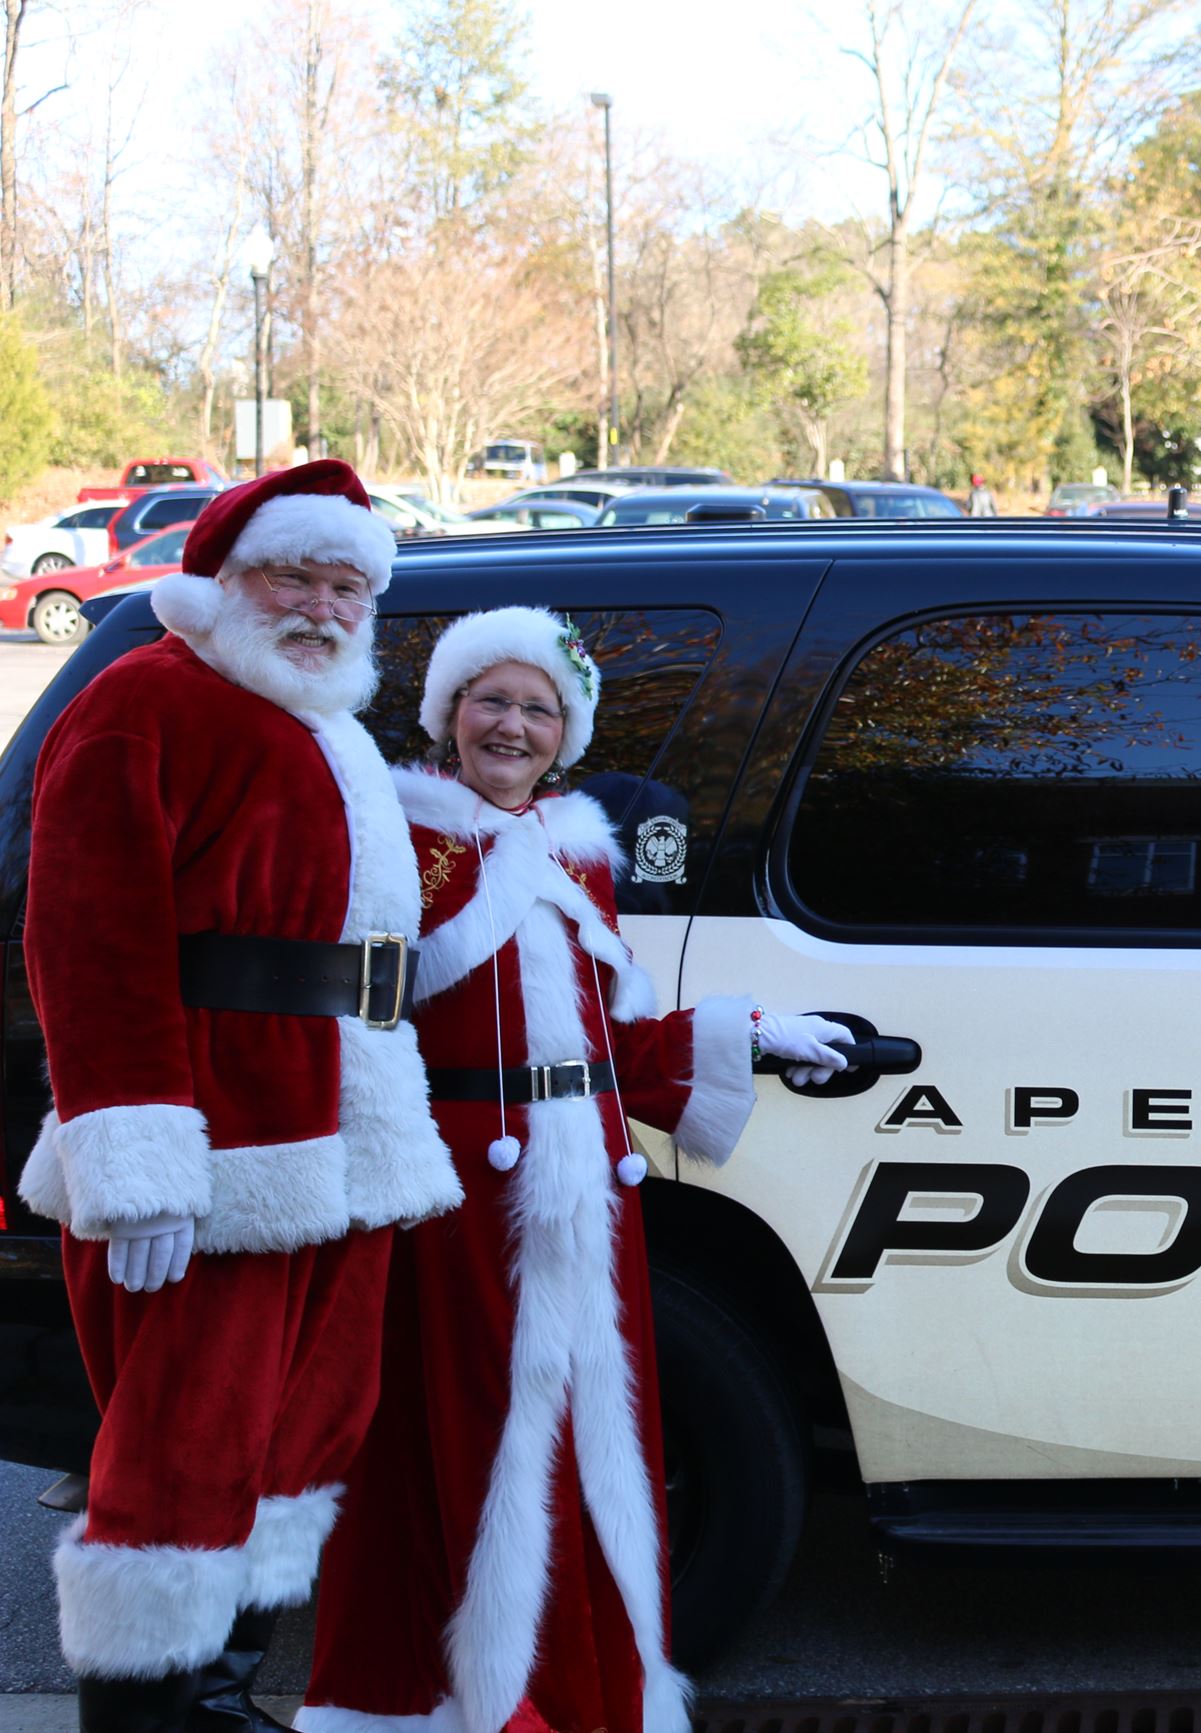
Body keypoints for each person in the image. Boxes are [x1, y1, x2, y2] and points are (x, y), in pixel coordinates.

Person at [299, 607, 851, 1733]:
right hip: (456, 1203)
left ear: (568, 731)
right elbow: (347, 1023)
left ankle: (589, 1697)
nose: (511, 723)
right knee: (463, 1451)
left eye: (537, 706)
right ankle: (469, 1707)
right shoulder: (387, 841)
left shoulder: (576, 852)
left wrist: (741, 1030)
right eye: (489, 698)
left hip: (580, 1200)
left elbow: (599, 1047)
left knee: (584, 1458)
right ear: (446, 713)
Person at [20, 460, 459, 1724]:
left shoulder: (319, 719)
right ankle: (145, 1709)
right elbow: (90, 943)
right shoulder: (146, 701)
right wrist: (139, 1158)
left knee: (305, 1431)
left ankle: (218, 1691)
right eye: (295, 576)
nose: (323, 606)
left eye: (346, 586)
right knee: (185, 1444)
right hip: (218, 1150)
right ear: (220, 581)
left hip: (346, 1135)